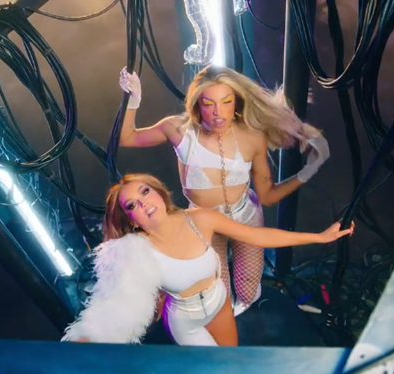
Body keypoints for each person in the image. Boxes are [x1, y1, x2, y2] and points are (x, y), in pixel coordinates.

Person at [61, 174, 353, 374]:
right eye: (132, 205)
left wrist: (319, 237)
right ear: (132, 220)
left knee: (229, 361)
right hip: (185, 320)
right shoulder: (137, 252)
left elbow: (258, 236)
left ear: (158, 193)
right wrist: (87, 337)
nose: (144, 203)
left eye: (145, 192)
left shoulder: (199, 219)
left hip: (218, 304)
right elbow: (115, 303)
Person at [117, 65, 330, 317]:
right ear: (197, 104)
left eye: (226, 102)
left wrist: (308, 171)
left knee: (248, 293)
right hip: (204, 225)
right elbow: (127, 138)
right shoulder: (179, 130)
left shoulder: (252, 136)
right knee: (219, 297)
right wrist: (134, 100)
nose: (218, 113)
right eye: (209, 104)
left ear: (236, 102)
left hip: (246, 217)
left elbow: (267, 196)